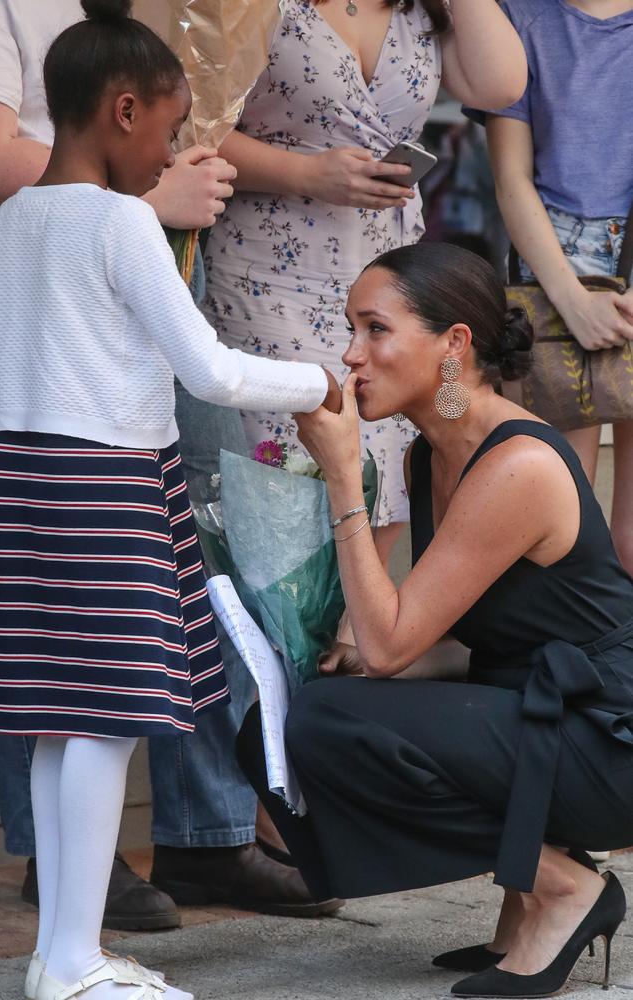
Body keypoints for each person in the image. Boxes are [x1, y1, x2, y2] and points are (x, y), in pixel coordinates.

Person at [0, 2, 342, 998]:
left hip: (25, 476)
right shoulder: (121, 221)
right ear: (122, 109)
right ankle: (72, 960)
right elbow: (210, 371)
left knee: (59, 720)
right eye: (172, 126)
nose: (176, 149)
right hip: (107, 483)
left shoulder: (9, 221)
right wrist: (318, 384)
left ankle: (63, 953)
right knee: (101, 719)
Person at [237, 241, 633, 999]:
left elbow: (387, 644)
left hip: (607, 741)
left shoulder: (516, 464)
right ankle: (528, 894)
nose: (352, 355)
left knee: (329, 726)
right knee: (277, 723)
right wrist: (359, 658)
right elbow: (456, 641)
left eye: (375, 329)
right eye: (350, 329)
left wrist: (343, 477)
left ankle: (560, 887)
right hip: (537, 719)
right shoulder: (431, 455)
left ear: (453, 344)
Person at [203, 0, 528, 568]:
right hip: (270, 268)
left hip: (386, 270)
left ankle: (354, 631)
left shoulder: (419, 7)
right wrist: (304, 173)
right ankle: (282, 640)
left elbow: (500, 83)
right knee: (287, 453)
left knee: (386, 439)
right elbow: (191, 125)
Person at [481, 0, 633, 574]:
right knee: (565, 524)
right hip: (551, 276)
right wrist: (573, 303)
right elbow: (510, 179)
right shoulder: (520, 18)